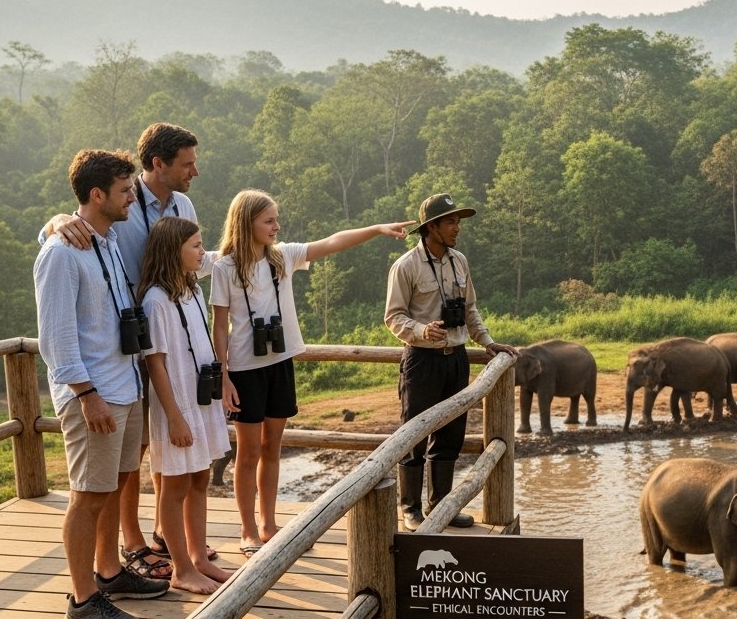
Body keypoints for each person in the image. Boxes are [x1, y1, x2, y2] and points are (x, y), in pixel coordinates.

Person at [44, 123, 218, 577]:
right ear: (157, 165)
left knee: (145, 449)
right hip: (116, 357)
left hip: (142, 347)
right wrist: (55, 223)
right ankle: (125, 550)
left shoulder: (176, 207)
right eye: (187, 163)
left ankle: (155, 543)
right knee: (106, 476)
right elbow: (67, 247)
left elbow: (189, 257)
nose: (194, 171)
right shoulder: (88, 230)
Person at [211, 189, 414, 556]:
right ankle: (247, 530)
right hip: (244, 370)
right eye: (269, 220)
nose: (277, 226)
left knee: (273, 446)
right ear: (246, 223)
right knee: (248, 451)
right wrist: (222, 376)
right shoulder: (225, 267)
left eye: (276, 219)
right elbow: (219, 325)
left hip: (280, 363)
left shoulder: (282, 257)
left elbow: (333, 242)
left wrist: (377, 228)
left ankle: (269, 524)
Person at [35, 149, 169, 619]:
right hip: (94, 391)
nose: (132, 196)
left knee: (114, 483)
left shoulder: (106, 240)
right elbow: (56, 335)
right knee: (87, 495)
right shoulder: (61, 253)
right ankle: (82, 600)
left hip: (123, 382)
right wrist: (85, 393)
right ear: (97, 195)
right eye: (124, 190)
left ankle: (109, 573)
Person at [384, 193, 517, 531]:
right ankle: (410, 509)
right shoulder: (406, 266)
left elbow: (470, 309)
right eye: (451, 222)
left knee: (450, 435)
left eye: (458, 221)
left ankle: (440, 507)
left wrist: (487, 342)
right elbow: (393, 317)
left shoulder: (460, 261)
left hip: (455, 359)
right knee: (414, 434)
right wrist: (420, 330)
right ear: (431, 227)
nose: (458, 228)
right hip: (422, 362)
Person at [137, 216, 232, 594]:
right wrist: (174, 418)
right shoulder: (155, 301)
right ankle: (180, 569)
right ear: (172, 252)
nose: (201, 252)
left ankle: (199, 558)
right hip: (176, 406)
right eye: (195, 245)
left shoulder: (190, 290)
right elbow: (155, 362)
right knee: (173, 488)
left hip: (200, 398)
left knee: (200, 479)